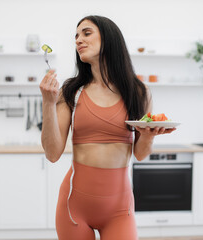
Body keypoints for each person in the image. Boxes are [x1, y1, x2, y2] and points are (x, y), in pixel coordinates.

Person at [40, 15, 176, 240]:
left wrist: (149, 137)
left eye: (86, 33)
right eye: (76, 36)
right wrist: (48, 102)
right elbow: (52, 153)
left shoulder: (138, 92)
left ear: (109, 38)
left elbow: (140, 154)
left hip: (119, 210)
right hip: (74, 207)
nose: (78, 40)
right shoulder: (71, 91)